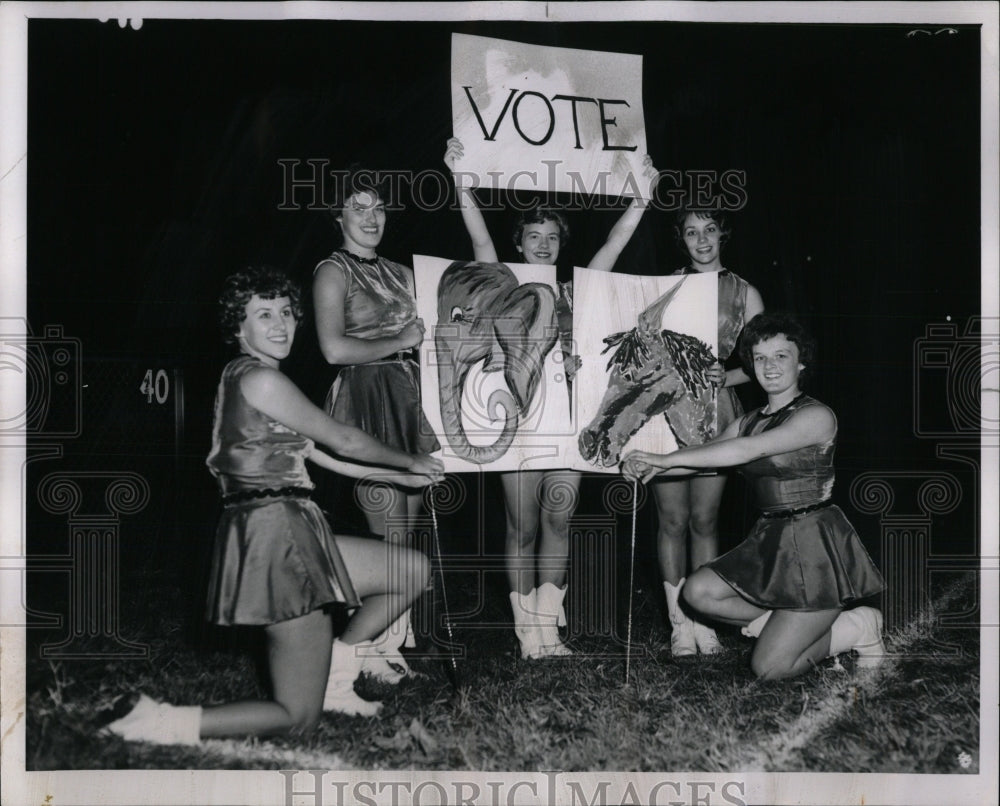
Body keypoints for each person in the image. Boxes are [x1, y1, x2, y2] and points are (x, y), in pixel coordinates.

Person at [105, 267, 445, 745]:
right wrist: (411, 456)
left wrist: (404, 474)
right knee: (296, 717)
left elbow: (325, 458)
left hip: (290, 523)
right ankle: (158, 721)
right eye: (263, 315)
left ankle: (338, 671)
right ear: (237, 329)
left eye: (286, 312)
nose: (280, 323)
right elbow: (344, 439)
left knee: (409, 570)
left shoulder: (250, 383)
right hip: (276, 534)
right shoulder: (261, 380)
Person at [444, 137, 658, 659]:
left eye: (552, 237)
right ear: (519, 243)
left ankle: (548, 630)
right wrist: (460, 181)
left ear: (562, 244)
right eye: (534, 236)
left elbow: (612, 245)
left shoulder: (576, 290)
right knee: (521, 524)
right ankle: (525, 635)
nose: (543, 244)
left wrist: (642, 197)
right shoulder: (503, 283)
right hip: (518, 417)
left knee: (558, 518)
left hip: (568, 416)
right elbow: (478, 246)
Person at [622, 312, 886, 680]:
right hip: (771, 540)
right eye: (760, 358)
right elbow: (706, 458)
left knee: (769, 667)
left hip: (814, 547)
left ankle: (858, 627)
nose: (770, 366)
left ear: (801, 361)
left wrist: (664, 459)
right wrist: (651, 466)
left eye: (781, 355)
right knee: (697, 592)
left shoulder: (816, 416)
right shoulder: (749, 420)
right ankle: (789, 625)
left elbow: (745, 452)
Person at [312, 168, 441, 678]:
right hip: (363, 398)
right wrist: (399, 342)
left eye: (378, 208)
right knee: (387, 532)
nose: (370, 217)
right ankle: (362, 650)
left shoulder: (402, 272)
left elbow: (430, 334)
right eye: (358, 207)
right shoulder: (332, 270)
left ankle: (392, 642)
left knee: (407, 536)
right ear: (338, 215)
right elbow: (332, 349)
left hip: (408, 397)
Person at [649, 205, 765, 658]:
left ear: (723, 234)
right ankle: (680, 625)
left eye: (710, 230)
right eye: (692, 232)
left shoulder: (744, 292)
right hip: (668, 411)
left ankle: (704, 619)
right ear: (681, 239)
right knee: (673, 519)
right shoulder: (665, 288)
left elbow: (767, 356)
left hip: (717, 414)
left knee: (705, 520)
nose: (701, 240)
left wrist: (730, 377)